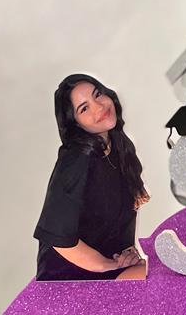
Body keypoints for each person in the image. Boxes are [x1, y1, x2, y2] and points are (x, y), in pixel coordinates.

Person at [33, 73, 150, 281]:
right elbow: (57, 237)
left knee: (168, 271)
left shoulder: (119, 146)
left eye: (98, 95)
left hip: (104, 266)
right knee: (160, 279)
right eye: (84, 108)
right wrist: (108, 265)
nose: (99, 107)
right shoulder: (76, 160)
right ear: (76, 123)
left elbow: (116, 217)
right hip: (69, 278)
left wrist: (126, 253)